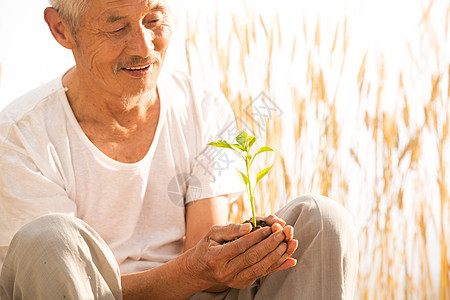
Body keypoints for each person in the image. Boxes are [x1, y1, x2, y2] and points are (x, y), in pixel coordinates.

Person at [0, 0, 359, 299]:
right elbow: (58, 280)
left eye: (154, 20)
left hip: (194, 293)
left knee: (322, 218)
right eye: (117, 27)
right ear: (62, 30)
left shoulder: (202, 106)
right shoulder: (19, 138)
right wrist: (194, 271)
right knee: (50, 239)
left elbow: (206, 264)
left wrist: (241, 254)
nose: (144, 47)